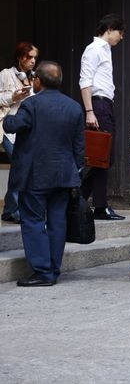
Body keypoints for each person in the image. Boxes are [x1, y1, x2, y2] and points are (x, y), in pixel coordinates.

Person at [3, 61, 84, 286]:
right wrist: (76, 173)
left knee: (33, 221)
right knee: (58, 222)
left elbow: (12, 126)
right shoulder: (74, 107)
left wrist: (9, 113)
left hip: (35, 175)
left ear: (38, 81)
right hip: (63, 175)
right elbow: (79, 147)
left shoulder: (31, 105)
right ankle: (53, 269)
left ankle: (42, 272)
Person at [79, 14, 126, 221]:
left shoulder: (105, 50)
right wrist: (90, 111)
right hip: (98, 105)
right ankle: (99, 206)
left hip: (105, 104)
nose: (121, 37)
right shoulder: (94, 49)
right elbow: (85, 81)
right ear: (109, 29)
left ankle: (78, 200)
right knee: (102, 157)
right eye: (120, 32)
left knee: (105, 157)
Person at [0, 41, 38, 223]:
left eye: (35, 57)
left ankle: (9, 210)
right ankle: (15, 209)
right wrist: (13, 96)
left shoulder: (35, 78)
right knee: (20, 166)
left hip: (27, 131)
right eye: (29, 57)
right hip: (8, 129)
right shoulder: (5, 74)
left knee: (21, 168)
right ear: (20, 57)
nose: (33, 61)